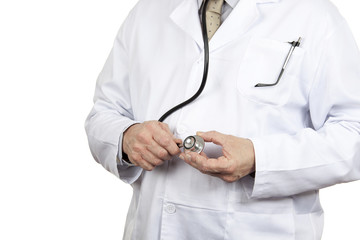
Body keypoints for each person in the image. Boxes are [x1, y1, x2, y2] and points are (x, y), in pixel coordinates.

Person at [85, 0, 360, 239]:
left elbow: (353, 133)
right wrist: (127, 137)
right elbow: (104, 112)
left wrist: (258, 158)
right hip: (151, 228)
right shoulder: (148, 11)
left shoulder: (316, 16)